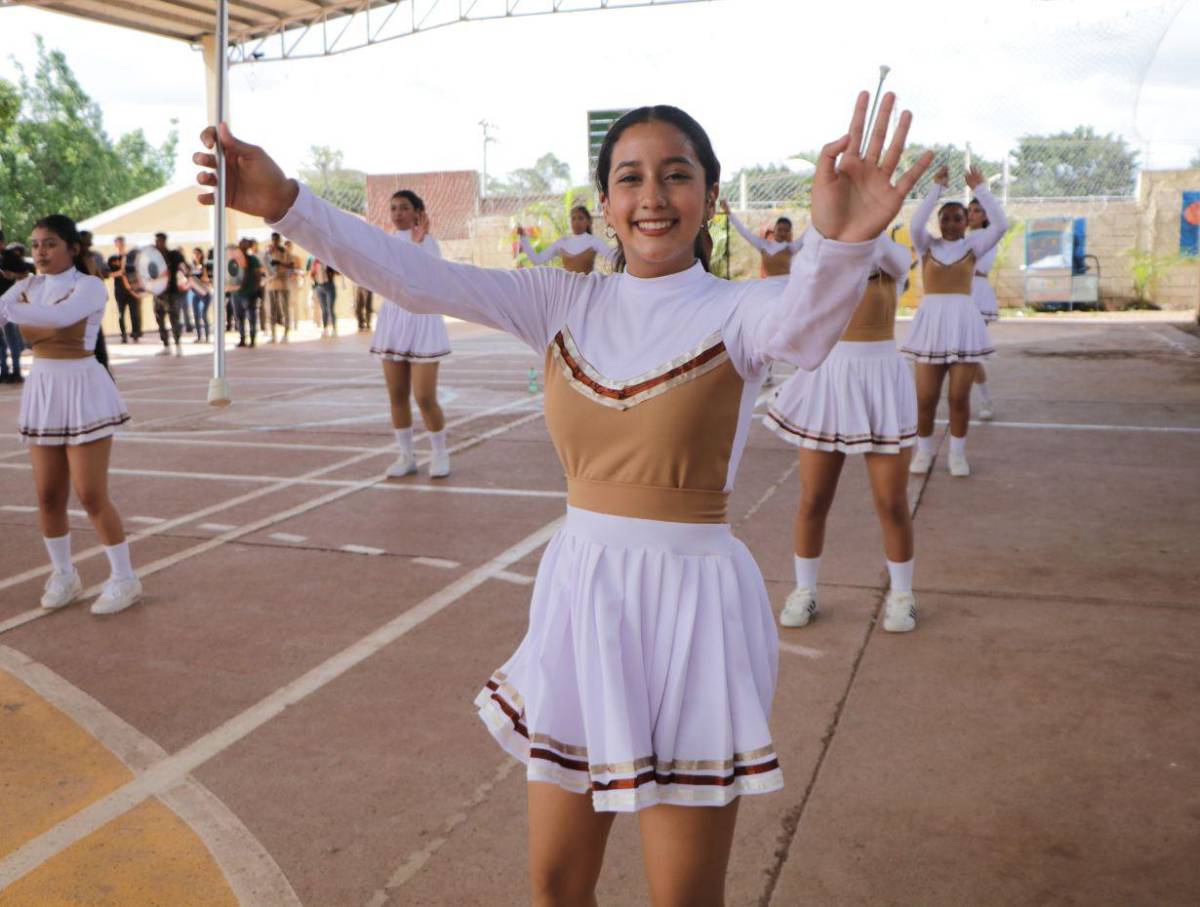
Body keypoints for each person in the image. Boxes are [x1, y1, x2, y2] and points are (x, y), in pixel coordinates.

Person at [195, 91, 929, 905]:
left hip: (692, 606)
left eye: (676, 175)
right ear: (607, 202)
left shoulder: (742, 311)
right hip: (583, 598)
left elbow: (803, 327)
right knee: (554, 881)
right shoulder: (560, 300)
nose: (653, 196)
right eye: (630, 178)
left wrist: (841, 239)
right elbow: (417, 278)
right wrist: (289, 205)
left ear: (711, 198)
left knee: (683, 894)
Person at [764, 232, 918, 632]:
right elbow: (802, 276)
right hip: (829, 379)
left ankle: (902, 596)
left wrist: (867, 226)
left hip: (880, 379)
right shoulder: (819, 253)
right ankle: (805, 590)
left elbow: (900, 262)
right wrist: (830, 229)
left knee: (891, 501)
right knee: (813, 498)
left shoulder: (888, 254)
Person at [0, 214, 142, 614]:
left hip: (82, 388)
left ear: (72, 248)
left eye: (49, 244)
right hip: (43, 388)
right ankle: (64, 574)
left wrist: (15, 304)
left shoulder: (90, 286)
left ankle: (124, 578)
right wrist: (14, 296)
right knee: (47, 496)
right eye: (35, 245)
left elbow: (59, 319)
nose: (40, 252)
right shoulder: (26, 287)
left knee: (91, 494)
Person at [900, 165, 1007, 477]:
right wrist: (936, 189)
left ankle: (957, 455)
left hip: (963, 324)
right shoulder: (926, 245)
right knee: (925, 398)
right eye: (944, 218)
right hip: (931, 326)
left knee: (959, 397)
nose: (949, 223)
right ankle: (923, 452)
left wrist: (982, 190)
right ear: (938, 221)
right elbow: (915, 222)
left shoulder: (973, 245)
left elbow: (1001, 224)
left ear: (966, 223)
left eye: (957, 218)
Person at [370, 189, 452, 479]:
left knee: (424, 396)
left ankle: (440, 453)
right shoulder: (386, 242)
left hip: (423, 322)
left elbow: (427, 276)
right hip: (394, 320)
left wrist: (419, 243)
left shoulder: (430, 244)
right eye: (393, 208)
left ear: (419, 212)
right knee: (397, 395)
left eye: (404, 207)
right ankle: (406, 456)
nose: (397, 213)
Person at [968, 196, 998, 420]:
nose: (972, 214)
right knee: (961, 353)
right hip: (959, 294)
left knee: (970, 352)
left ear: (986, 215)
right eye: (970, 210)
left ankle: (985, 400)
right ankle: (974, 399)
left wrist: (980, 188)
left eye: (977, 211)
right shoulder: (962, 238)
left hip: (977, 294)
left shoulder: (990, 235)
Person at [516, 206, 615, 274]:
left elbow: (614, 258)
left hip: (588, 291)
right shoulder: (562, 242)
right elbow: (537, 260)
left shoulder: (594, 241)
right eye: (573, 219)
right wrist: (523, 238)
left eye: (580, 218)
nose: (576, 222)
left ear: (588, 222)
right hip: (566, 292)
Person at [720, 200, 804, 276]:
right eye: (780, 229)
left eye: (786, 230)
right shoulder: (763, 244)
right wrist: (729, 213)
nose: (782, 233)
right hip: (768, 286)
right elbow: (744, 232)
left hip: (787, 287)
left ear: (790, 232)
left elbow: (810, 231)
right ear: (774, 229)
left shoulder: (792, 247)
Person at [1, 231, 33, 383]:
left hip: (9, 303)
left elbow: (26, 274)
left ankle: (16, 371)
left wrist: (11, 276)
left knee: (12, 338)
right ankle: (3, 371)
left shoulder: (11, 256)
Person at [152, 232, 186, 357]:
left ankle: (178, 345)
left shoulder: (174, 255)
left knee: (174, 319)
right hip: (158, 293)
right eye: (156, 241)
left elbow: (184, 268)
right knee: (159, 319)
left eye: (159, 241)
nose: (157, 243)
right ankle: (166, 345)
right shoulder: (153, 257)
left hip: (172, 292)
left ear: (164, 241)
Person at [107, 236, 143, 343]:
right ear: (115, 244)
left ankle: (135, 333)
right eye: (118, 242)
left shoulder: (130, 257)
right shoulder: (112, 259)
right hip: (120, 290)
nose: (120, 244)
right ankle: (123, 334)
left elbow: (137, 271)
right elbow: (108, 274)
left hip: (131, 289)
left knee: (134, 313)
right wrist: (120, 273)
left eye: (122, 242)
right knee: (121, 314)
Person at [233, 237, 263, 347]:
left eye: (245, 245)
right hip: (237, 292)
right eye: (241, 244)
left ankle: (252, 338)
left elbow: (258, 275)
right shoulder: (235, 260)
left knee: (251, 316)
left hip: (249, 292)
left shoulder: (253, 259)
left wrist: (256, 288)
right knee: (239, 317)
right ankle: (242, 339)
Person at [264, 232, 290, 342]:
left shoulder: (284, 252)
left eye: (277, 240)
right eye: (273, 240)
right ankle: (273, 335)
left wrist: (279, 263)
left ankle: (285, 334)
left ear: (279, 240)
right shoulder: (268, 252)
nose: (275, 242)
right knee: (271, 310)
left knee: (284, 309)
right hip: (271, 284)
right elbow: (265, 266)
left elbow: (290, 265)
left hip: (282, 284)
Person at [187, 247, 212, 343]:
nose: (196, 256)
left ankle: (207, 336)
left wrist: (202, 274)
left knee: (204, 314)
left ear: (201, 255)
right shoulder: (191, 267)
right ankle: (198, 336)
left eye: (198, 254)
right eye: (194, 254)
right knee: (196, 315)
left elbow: (207, 280)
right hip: (195, 293)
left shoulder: (205, 266)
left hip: (205, 293)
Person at [311, 258, 338, 337]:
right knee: (323, 309)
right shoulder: (316, 262)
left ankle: (334, 328)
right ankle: (325, 328)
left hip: (329, 286)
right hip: (319, 287)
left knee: (330, 308)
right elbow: (312, 274)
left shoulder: (329, 260)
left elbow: (337, 272)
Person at [283, 239, 301, 332]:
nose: (288, 248)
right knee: (287, 305)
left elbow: (299, 269)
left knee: (295, 303)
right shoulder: (282, 258)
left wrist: (295, 273)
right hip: (285, 283)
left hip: (294, 283)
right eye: (286, 247)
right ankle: (288, 323)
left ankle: (296, 323)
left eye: (289, 246)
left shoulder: (296, 258)